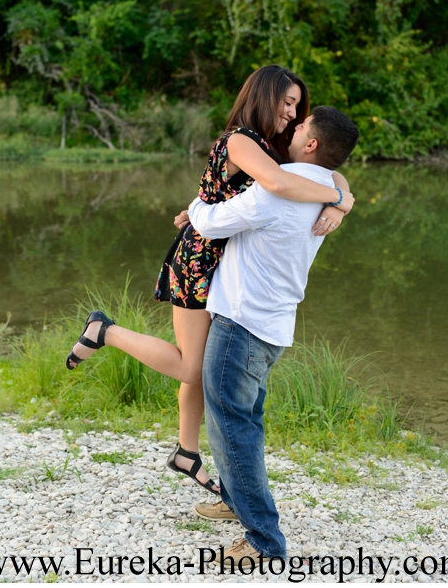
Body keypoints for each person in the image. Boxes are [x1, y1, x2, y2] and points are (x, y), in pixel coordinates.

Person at [64, 65, 355, 494]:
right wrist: (335, 198)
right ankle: (104, 331)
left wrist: (344, 198)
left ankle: (186, 452)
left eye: (298, 107)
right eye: (287, 102)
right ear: (264, 96)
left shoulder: (270, 144)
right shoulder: (241, 140)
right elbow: (277, 183)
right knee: (192, 365)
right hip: (202, 257)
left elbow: (328, 169)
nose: (293, 114)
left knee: (197, 368)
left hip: (222, 251)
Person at [187, 106, 360, 563]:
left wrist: (194, 206)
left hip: (240, 326)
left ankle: (264, 543)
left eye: (300, 125)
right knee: (245, 424)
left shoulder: (276, 191)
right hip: (274, 328)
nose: (293, 125)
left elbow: (209, 223)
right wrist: (343, 196)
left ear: (312, 144)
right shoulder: (324, 192)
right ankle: (232, 501)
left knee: (233, 431)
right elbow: (338, 188)